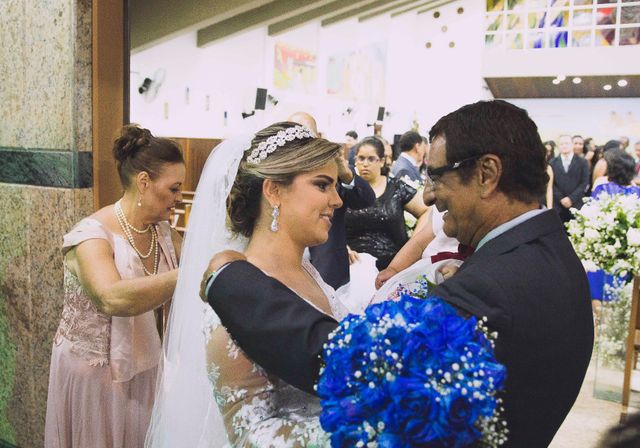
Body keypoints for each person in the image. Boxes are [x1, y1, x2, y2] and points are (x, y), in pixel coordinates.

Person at [206, 100, 593, 448]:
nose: (427, 196)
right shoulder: (548, 256)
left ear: (487, 174)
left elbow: (360, 361)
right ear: (273, 191)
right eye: (321, 184)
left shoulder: (495, 286)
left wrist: (228, 279)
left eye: (437, 176)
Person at [146, 122, 349, 447]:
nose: (337, 200)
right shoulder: (233, 295)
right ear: (273, 190)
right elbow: (250, 434)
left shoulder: (309, 272)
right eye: (323, 185)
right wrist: (367, 429)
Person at [45, 125, 184, 447]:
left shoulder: (162, 232)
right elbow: (111, 298)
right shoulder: (91, 236)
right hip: (95, 377)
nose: (178, 199)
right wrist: (188, 274)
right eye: (174, 189)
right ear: (144, 182)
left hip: (145, 367)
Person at [291, 114, 375, 290]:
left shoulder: (333, 169)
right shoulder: (277, 176)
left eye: (307, 136)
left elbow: (365, 199)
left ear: (317, 137)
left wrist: (346, 173)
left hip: (329, 268)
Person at [345, 136, 429, 271]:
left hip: (393, 266)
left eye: (371, 159)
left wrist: (414, 245)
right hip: (354, 268)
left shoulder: (396, 188)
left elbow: (426, 210)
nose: (365, 164)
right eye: (361, 158)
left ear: (382, 161)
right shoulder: (347, 190)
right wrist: (342, 247)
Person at [587, 149, 640, 316]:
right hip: (626, 256)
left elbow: (590, 217)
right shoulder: (636, 193)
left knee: (598, 296)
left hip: (603, 253)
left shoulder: (602, 189)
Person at [550, 134, 591, 224]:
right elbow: (551, 184)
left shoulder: (582, 162)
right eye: (561, 144)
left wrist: (571, 198)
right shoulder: (552, 163)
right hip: (558, 206)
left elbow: (584, 183)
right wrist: (561, 198)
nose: (564, 146)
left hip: (576, 204)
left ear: (572, 145)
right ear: (558, 146)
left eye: (567, 143)